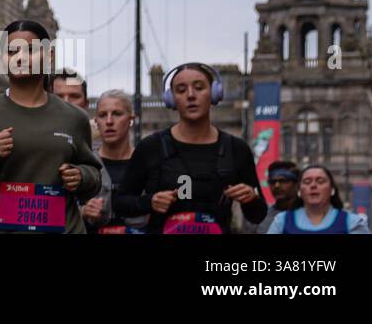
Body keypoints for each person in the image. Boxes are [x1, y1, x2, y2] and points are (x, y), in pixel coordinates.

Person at [0, 20, 102, 233]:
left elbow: (94, 177)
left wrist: (81, 177)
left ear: (49, 55)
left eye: (31, 50)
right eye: (12, 51)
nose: (21, 57)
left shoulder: (74, 117)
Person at [114, 62, 266, 234]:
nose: (191, 95)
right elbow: (120, 203)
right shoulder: (150, 147)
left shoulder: (236, 149)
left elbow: (258, 215)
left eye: (199, 88)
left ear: (215, 94)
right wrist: (149, 202)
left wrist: (251, 198)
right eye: (181, 90)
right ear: (171, 99)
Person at [50, 69, 113, 232]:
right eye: (59, 96)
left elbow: (104, 210)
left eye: (74, 96)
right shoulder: (30, 143)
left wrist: (95, 211)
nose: (66, 102)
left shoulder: (94, 153)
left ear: (85, 104)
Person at [88, 89, 147, 233]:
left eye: (117, 114)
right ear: (96, 121)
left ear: (131, 119)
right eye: (102, 115)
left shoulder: (147, 163)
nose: (109, 121)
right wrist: (84, 210)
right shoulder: (87, 163)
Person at [267, 164, 369, 234]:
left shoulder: (352, 222)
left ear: (332, 189)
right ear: (299, 191)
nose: (313, 185)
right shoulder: (282, 221)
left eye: (320, 181)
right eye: (307, 182)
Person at [253, 160, 300, 233]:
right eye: (272, 182)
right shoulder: (262, 217)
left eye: (283, 181)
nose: (277, 186)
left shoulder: (313, 213)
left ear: (297, 184)